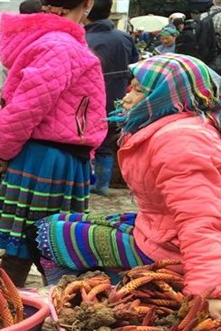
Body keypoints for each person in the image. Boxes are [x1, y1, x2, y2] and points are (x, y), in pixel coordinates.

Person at [36, 54, 221, 319]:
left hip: (188, 249)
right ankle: (105, 291)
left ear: (165, 97)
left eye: (139, 90)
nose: (127, 97)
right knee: (65, 221)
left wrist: (209, 292)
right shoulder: (169, 125)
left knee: (50, 236)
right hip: (162, 230)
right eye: (130, 87)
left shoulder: (180, 141)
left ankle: (74, 310)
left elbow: (200, 221)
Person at [0, 0, 107, 287]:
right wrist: (4, 150)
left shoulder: (53, 41)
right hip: (48, 159)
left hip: (52, 156)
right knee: (44, 244)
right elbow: (25, 107)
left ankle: (9, 309)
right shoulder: (61, 45)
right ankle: (5, 312)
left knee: (42, 244)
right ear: (87, 3)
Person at [84, 0, 140, 196]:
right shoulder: (124, 38)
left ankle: (88, 182)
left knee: (87, 140)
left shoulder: (83, 38)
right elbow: (135, 66)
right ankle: (102, 184)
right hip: (117, 98)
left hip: (89, 98)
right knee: (107, 141)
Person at [0, 0, 42, 107]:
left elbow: (1, 73)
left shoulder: (9, 38)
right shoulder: (46, 38)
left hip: (9, 103)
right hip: (35, 104)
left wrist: (0, 100)